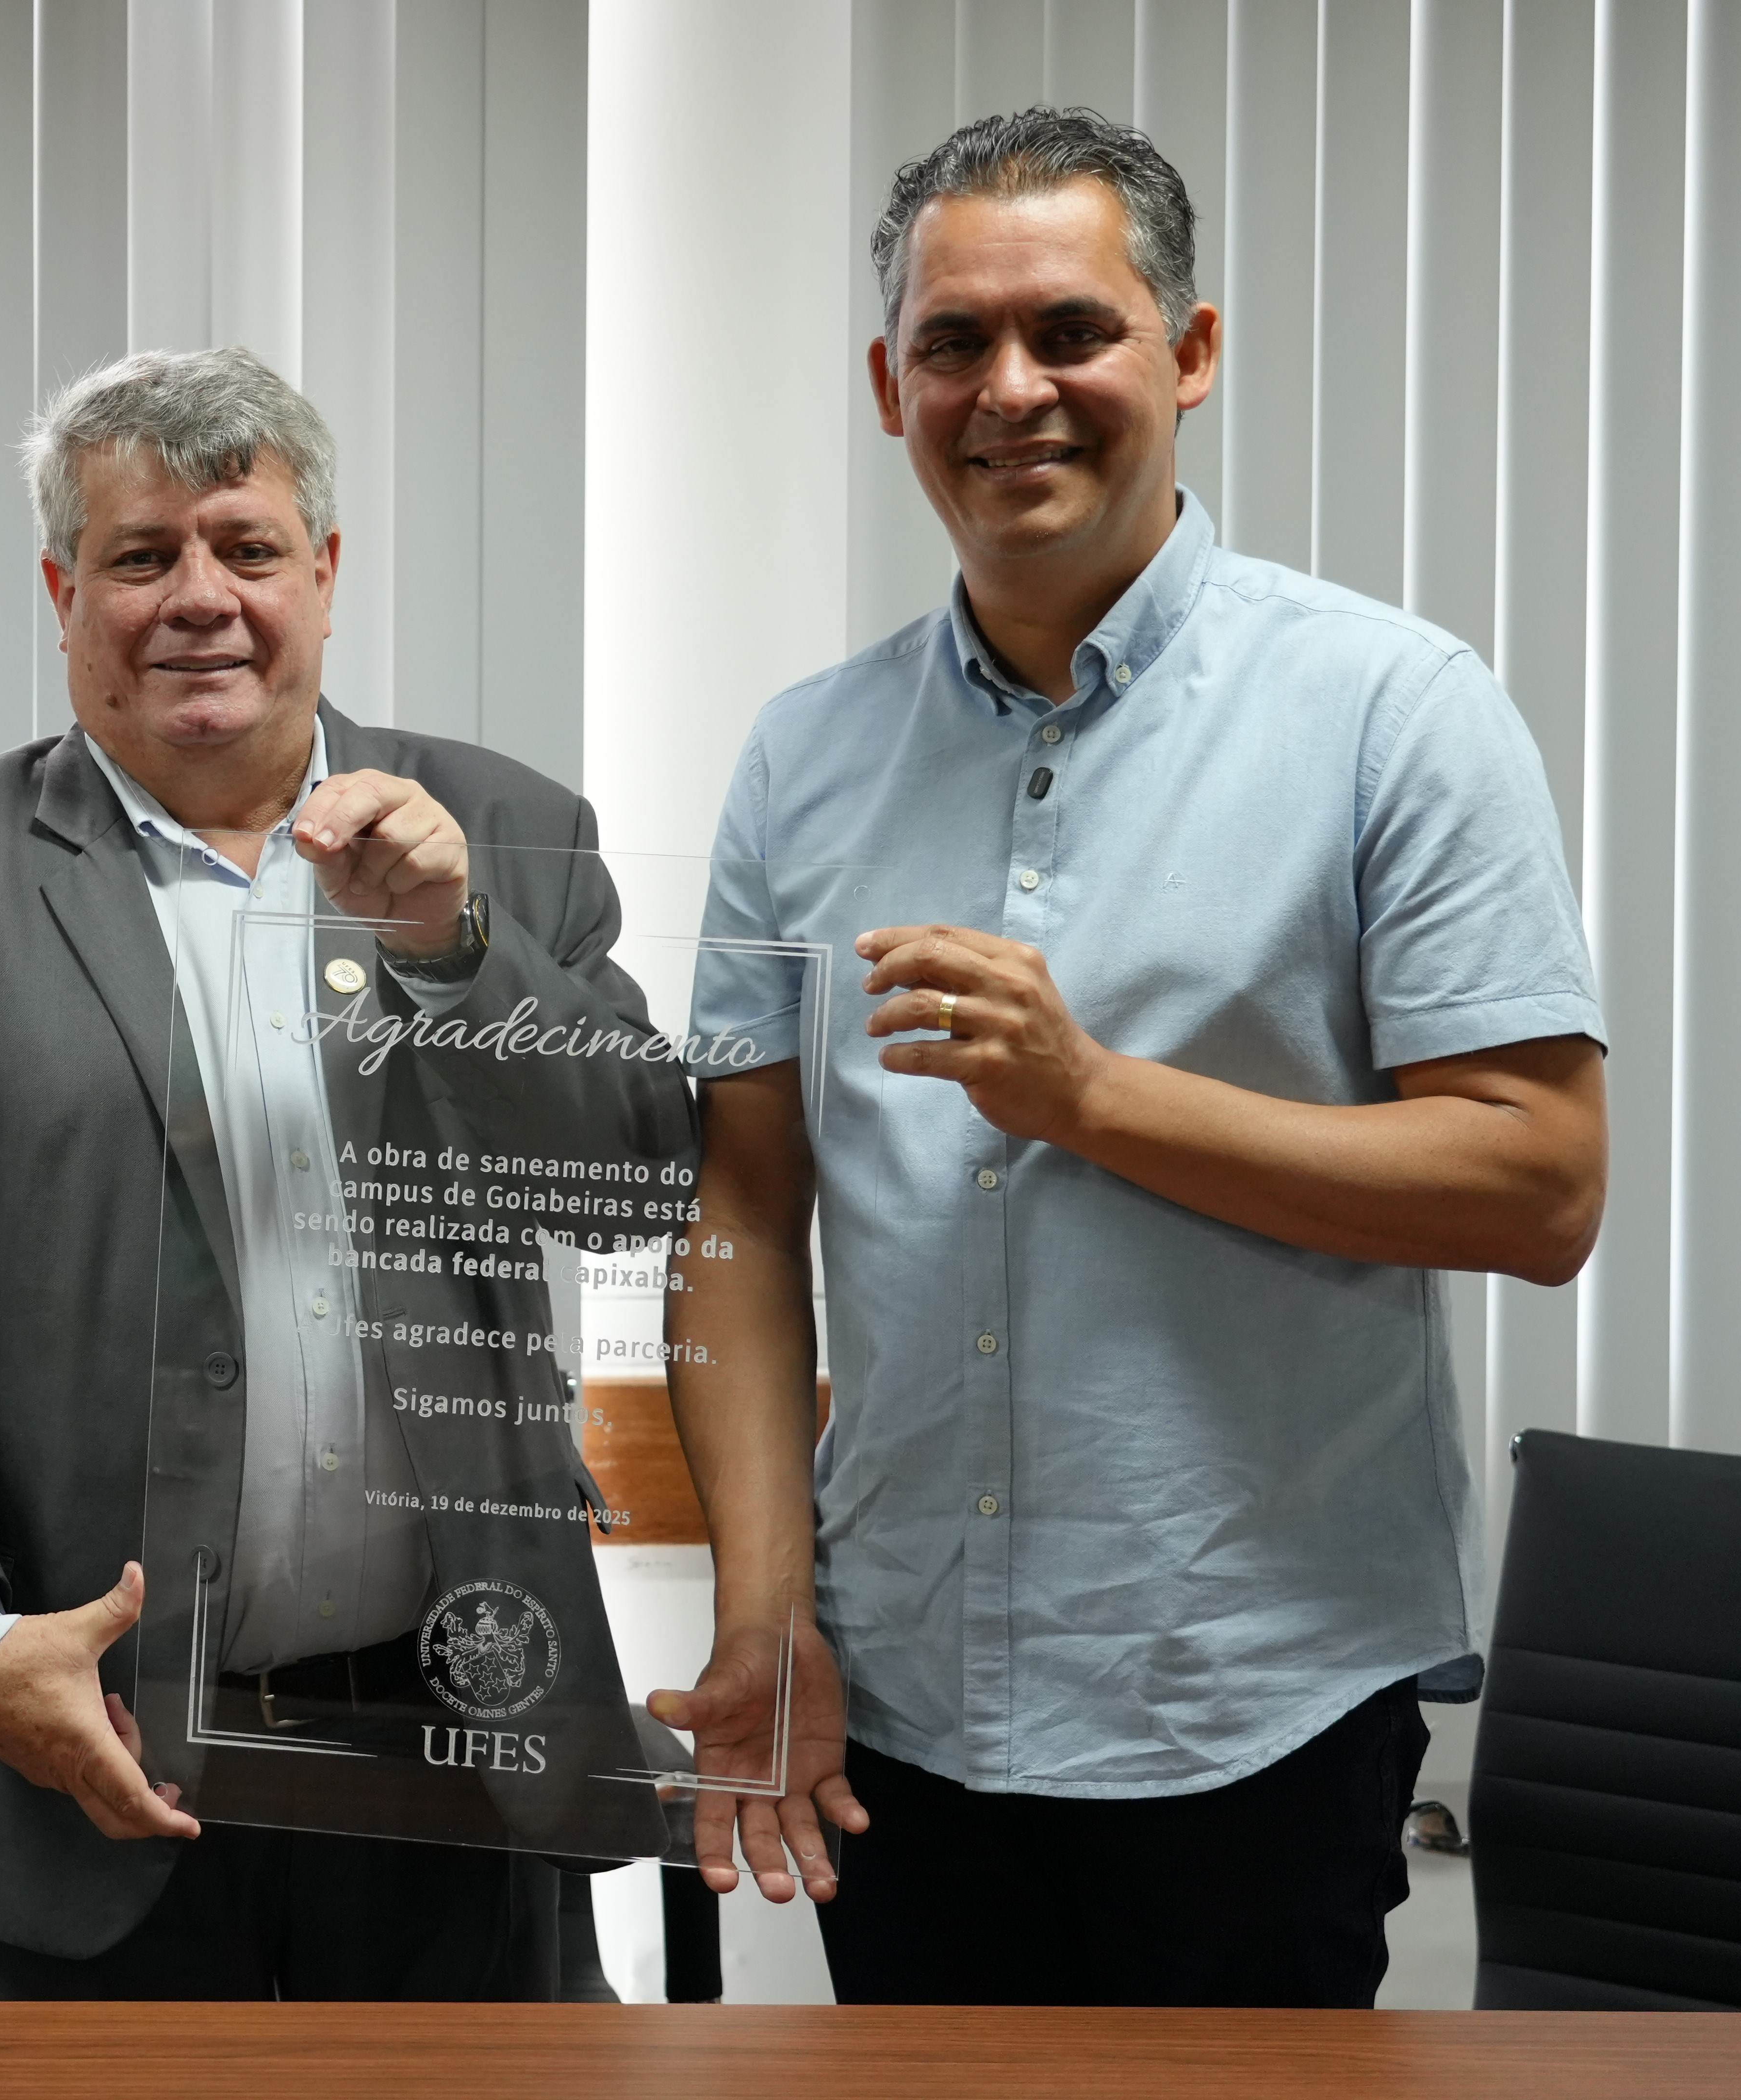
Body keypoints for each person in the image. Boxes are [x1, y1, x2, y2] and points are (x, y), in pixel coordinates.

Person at [661, 106, 1608, 2008]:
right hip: (899, 1701)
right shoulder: (801, 755)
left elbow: (1537, 1183)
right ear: (889, 388)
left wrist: (1088, 1097)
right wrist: (765, 1610)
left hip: (1254, 1697)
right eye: (953, 343)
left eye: (1072, 330)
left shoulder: (1393, 710)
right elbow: (742, 1212)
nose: (1010, 389)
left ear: (1188, 354)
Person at [0, 346, 690, 2000]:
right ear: (64, 593)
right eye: (141, 555)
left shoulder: (503, 830)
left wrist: (455, 950)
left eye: (246, 548)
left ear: (322, 572)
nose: (200, 597)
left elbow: (624, 1192)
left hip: (454, 1745)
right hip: (87, 1746)